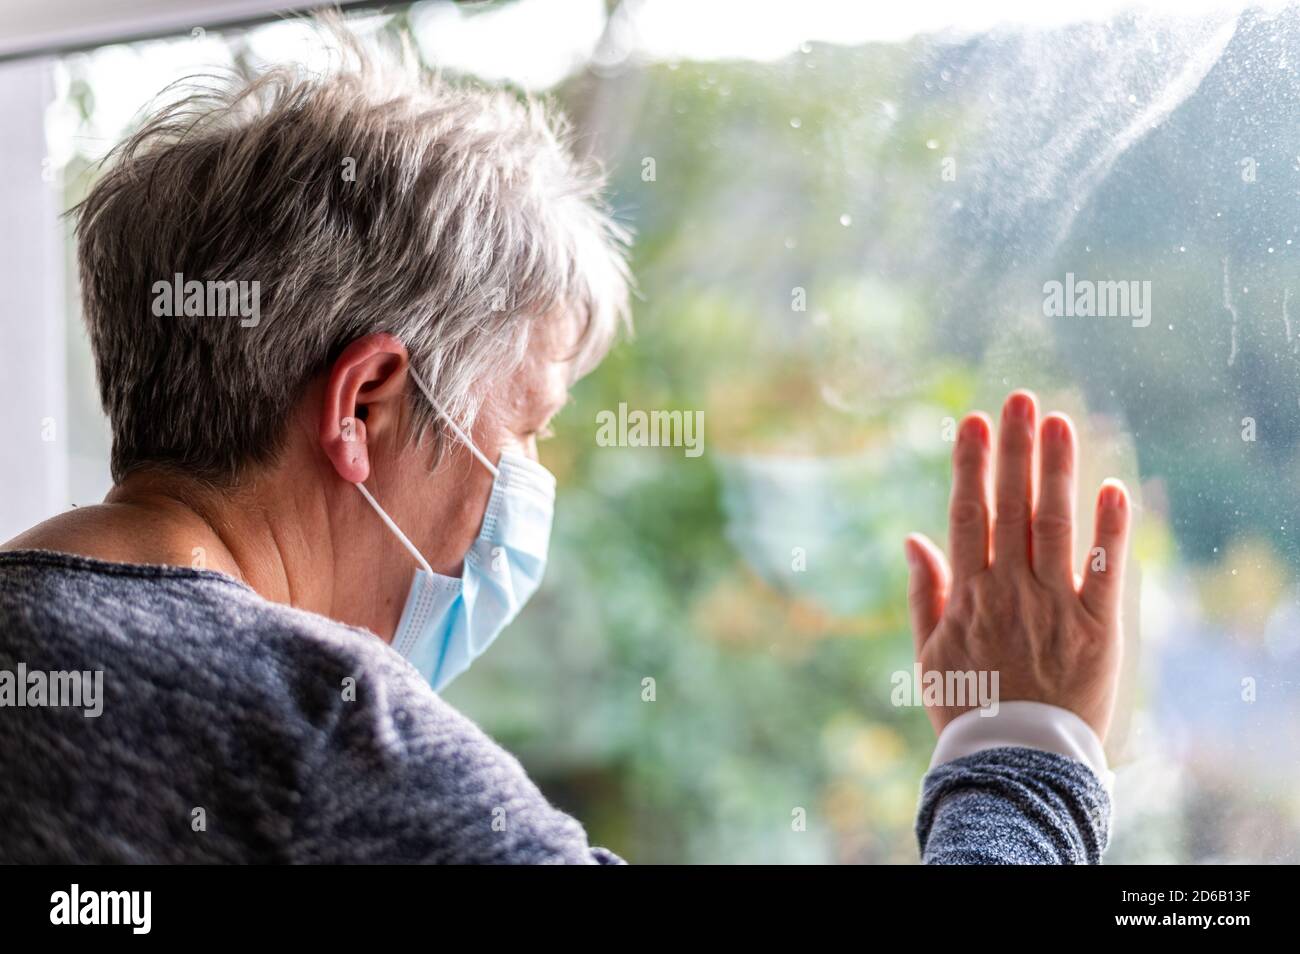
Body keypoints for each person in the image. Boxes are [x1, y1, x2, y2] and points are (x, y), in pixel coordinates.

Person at [0, 27, 1128, 864]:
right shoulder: (331, 751)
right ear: (366, 404)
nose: (529, 489)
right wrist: (1019, 745)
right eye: (524, 429)